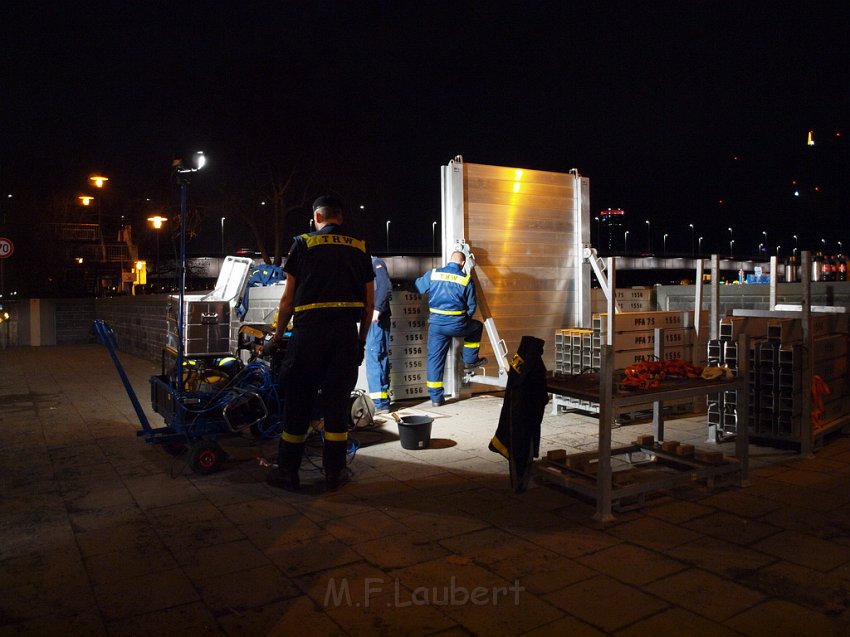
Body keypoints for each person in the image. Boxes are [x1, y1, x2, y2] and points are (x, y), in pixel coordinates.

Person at [266, 195, 374, 492]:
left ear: (317, 217)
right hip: (344, 335)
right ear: (340, 218)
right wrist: (361, 341)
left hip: (308, 334)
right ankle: (334, 473)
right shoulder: (359, 247)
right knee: (337, 405)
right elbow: (369, 302)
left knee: (298, 402)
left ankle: (287, 472)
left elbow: (288, 299)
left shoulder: (302, 243)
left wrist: (277, 337)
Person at [415, 251, 487, 406]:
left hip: (436, 326)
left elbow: (418, 287)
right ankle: (469, 360)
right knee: (477, 327)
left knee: (435, 359)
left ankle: (436, 399)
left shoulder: (433, 274)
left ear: (450, 261)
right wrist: (462, 320)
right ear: (462, 263)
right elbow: (471, 307)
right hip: (457, 324)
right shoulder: (466, 279)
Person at [366, 256, 392, 413]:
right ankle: (381, 401)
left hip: (376, 320)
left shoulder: (376, 263)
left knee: (375, 356)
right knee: (375, 357)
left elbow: (386, 286)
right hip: (370, 318)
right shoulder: (366, 266)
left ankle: (380, 403)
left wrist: (377, 311)